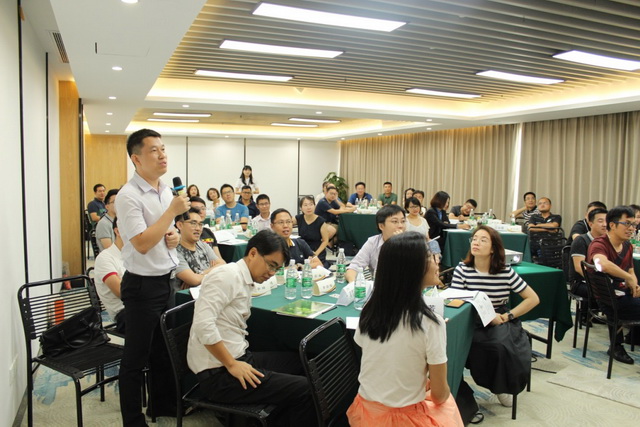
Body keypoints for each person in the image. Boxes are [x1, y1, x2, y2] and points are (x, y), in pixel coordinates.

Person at [187, 231, 318, 426]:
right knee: (307, 389)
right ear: (253, 253)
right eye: (271, 265)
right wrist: (232, 364)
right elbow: (203, 325)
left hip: (238, 357)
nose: (272, 273)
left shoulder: (244, 277)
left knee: (304, 362)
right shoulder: (226, 276)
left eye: (277, 269)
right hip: (219, 374)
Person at [347, 232, 463, 427]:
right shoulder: (431, 323)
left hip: (365, 412)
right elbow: (439, 395)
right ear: (414, 269)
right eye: (431, 257)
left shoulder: (370, 311)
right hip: (404, 419)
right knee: (447, 403)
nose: (437, 262)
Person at [115, 128, 190, 425]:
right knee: (135, 359)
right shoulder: (128, 196)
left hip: (165, 281)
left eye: (163, 148)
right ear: (136, 158)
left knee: (163, 351)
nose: (162, 155)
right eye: (154, 150)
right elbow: (142, 243)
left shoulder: (165, 190)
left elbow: (161, 234)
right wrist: (171, 213)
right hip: (142, 286)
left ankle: (162, 406)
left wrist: (173, 237)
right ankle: (133, 421)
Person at [450, 226, 539, 408]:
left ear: (493, 248)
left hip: (499, 317)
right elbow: (456, 301)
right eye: (474, 238)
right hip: (470, 316)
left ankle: (501, 387)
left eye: (483, 240)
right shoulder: (462, 269)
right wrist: (484, 314)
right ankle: (462, 391)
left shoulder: (505, 271)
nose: (476, 242)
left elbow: (533, 298)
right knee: (470, 344)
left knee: (500, 346)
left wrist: (508, 316)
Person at [586, 205, 640, 365]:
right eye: (627, 224)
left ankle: (631, 338)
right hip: (608, 300)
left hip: (624, 295)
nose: (632, 228)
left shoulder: (627, 246)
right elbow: (601, 264)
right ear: (612, 225)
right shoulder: (599, 244)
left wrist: (634, 283)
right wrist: (627, 277)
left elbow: (631, 270)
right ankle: (618, 344)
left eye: (633, 225)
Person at [346, 205, 406, 283]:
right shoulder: (373, 242)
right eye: (395, 221)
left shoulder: (411, 244)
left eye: (403, 221)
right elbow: (353, 268)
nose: (400, 226)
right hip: (379, 287)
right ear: (381, 226)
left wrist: (400, 245)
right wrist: (354, 284)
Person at [569, 207, 608, 322]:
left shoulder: (607, 241)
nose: (605, 224)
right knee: (609, 293)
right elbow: (579, 268)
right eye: (600, 221)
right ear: (590, 223)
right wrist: (599, 282)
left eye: (607, 221)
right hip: (580, 282)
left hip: (600, 280)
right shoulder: (581, 240)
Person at [174, 209, 224, 289]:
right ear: (180, 225)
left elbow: (223, 266)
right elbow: (194, 280)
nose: (198, 228)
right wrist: (213, 270)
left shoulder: (202, 245)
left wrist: (201, 273)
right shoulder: (175, 251)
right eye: (193, 223)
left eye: (200, 224)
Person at [93, 218, 125, 334]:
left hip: (143, 305)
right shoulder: (105, 258)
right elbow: (122, 292)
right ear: (118, 231)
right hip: (125, 313)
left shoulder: (136, 255)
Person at [294, 196, 332, 266]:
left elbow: (325, 241)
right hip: (303, 250)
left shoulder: (321, 221)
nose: (309, 207)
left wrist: (315, 254)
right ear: (301, 208)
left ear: (315, 206)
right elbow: (287, 223)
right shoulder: (298, 218)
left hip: (316, 250)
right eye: (305, 205)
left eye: (311, 204)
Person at [190, 197, 225, 263]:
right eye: (196, 209)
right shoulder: (186, 233)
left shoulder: (208, 232)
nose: (201, 212)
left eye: (203, 208)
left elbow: (219, 258)